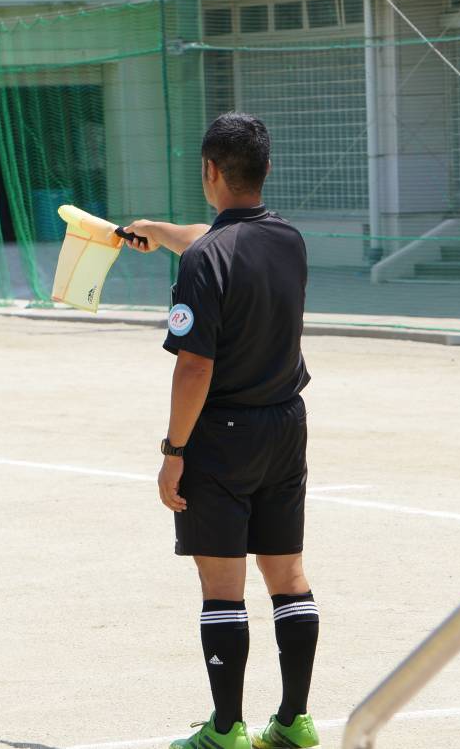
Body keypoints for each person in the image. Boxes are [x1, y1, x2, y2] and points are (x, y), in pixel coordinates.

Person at [123, 113, 320, 749]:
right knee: (287, 576)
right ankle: (293, 722)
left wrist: (173, 451)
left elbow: (194, 367)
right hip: (286, 424)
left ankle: (227, 729)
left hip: (223, 435)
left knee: (223, 589)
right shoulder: (288, 239)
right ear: (265, 169)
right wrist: (159, 231)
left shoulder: (204, 258)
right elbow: (217, 240)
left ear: (209, 170)